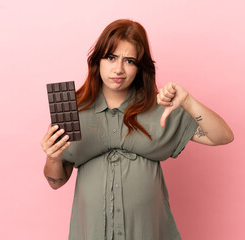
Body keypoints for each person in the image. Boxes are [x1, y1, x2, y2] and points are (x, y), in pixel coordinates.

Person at [41, 19, 233, 240]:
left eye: (129, 61)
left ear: (140, 67)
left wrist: (188, 101)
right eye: (111, 57)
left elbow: (223, 136)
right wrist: (52, 158)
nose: (118, 69)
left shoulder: (161, 108)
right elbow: (56, 182)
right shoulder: (70, 109)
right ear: (97, 61)